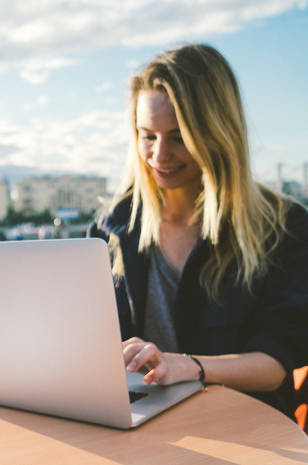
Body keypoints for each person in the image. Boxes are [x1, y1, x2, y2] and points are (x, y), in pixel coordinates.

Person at [88, 44, 308, 418]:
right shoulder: (111, 228)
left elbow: (274, 364)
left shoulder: (282, 227)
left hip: (246, 430)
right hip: (139, 432)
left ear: (218, 133)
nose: (159, 156)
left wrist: (188, 366)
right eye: (147, 135)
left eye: (178, 136)